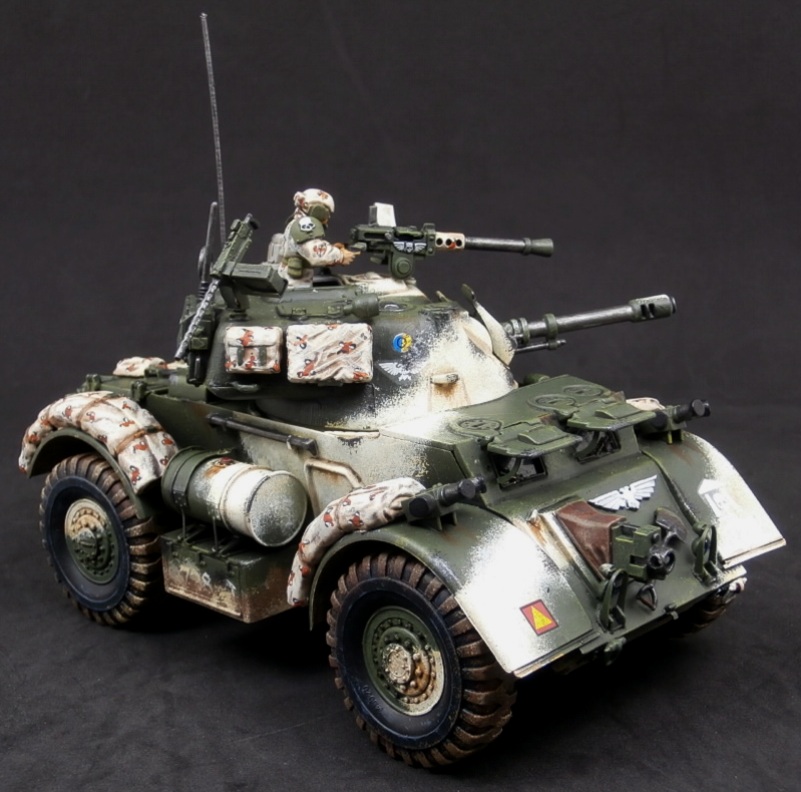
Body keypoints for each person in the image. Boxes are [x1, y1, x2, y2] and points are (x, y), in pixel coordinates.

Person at [277, 189, 358, 285]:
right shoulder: (303, 224)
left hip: (296, 280)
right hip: (295, 284)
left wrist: (332, 248)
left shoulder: (297, 222)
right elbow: (313, 252)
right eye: (326, 212)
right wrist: (340, 256)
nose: (327, 217)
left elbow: (304, 248)